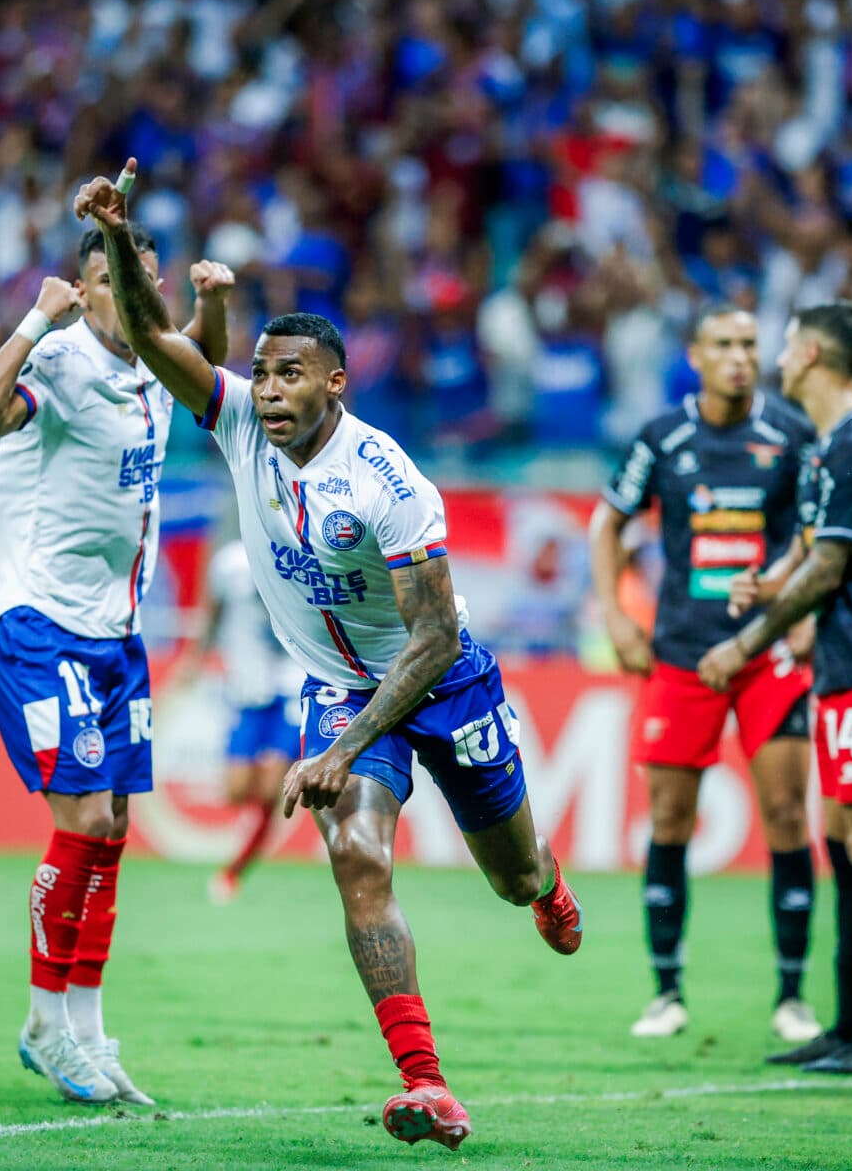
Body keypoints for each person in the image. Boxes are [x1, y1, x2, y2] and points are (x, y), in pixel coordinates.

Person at [76, 159, 583, 1151]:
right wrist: (120, 234)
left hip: (444, 680)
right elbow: (145, 334)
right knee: (357, 855)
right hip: (335, 686)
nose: (265, 390)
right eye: (259, 372)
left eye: (289, 374)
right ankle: (429, 1083)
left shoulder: (389, 479)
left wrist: (346, 743)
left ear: (335, 385)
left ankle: (550, 888)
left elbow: (433, 637)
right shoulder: (235, 426)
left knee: (517, 878)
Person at [0, 225, 230, 1106]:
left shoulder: (152, 355)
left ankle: (87, 1029)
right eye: (117, 285)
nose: (138, 303)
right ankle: (43, 1022)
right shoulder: (63, 360)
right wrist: (33, 324)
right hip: (37, 619)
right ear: (85, 287)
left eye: (149, 286)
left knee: (112, 828)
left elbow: (202, 368)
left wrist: (210, 305)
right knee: (84, 816)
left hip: (116, 629)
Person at [697, 299, 852, 1076]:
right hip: (846, 661)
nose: (777, 357)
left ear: (811, 356)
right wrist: (773, 586)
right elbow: (817, 554)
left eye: (787, 344)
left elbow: (831, 567)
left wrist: (744, 643)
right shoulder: (842, 444)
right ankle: (849, 1023)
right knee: (841, 836)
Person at [588, 306, 822, 1044]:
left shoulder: (792, 434)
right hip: (683, 651)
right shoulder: (664, 437)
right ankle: (667, 992)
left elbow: (819, 535)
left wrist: (806, 612)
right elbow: (607, 525)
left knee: (786, 815)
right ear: (695, 355)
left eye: (750, 345)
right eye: (723, 345)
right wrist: (619, 621)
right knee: (668, 819)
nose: (739, 358)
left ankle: (791, 995)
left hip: (768, 650)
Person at [194, 536, 307, 904]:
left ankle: (235, 870)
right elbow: (212, 614)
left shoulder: (300, 551)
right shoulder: (228, 561)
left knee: (274, 783)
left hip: (292, 684)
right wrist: (194, 659)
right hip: (247, 687)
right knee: (238, 788)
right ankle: (252, 831)